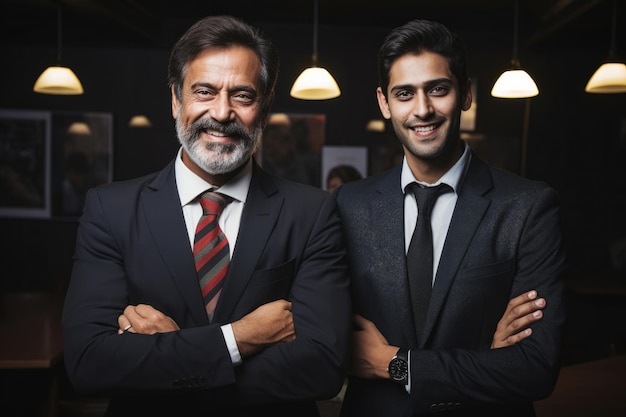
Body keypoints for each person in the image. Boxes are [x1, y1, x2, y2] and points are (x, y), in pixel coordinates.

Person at [62, 15, 351, 417]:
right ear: (176, 100)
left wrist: (167, 362)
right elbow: (89, 365)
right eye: (204, 91)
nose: (222, 112)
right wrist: (238, 339)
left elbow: (322, 370)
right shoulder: (110, 210)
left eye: (243, 96)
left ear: (264, 109)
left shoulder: (312, 213)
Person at [334, 19, 566, 417]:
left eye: (437, 89)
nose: (422, 109)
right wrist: (485, 361)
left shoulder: (528, 207)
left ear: (466, 94)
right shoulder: (346, 206)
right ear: (384, 103)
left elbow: (534, 369)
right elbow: (322, 340)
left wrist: (394, 363)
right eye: (404, 93)